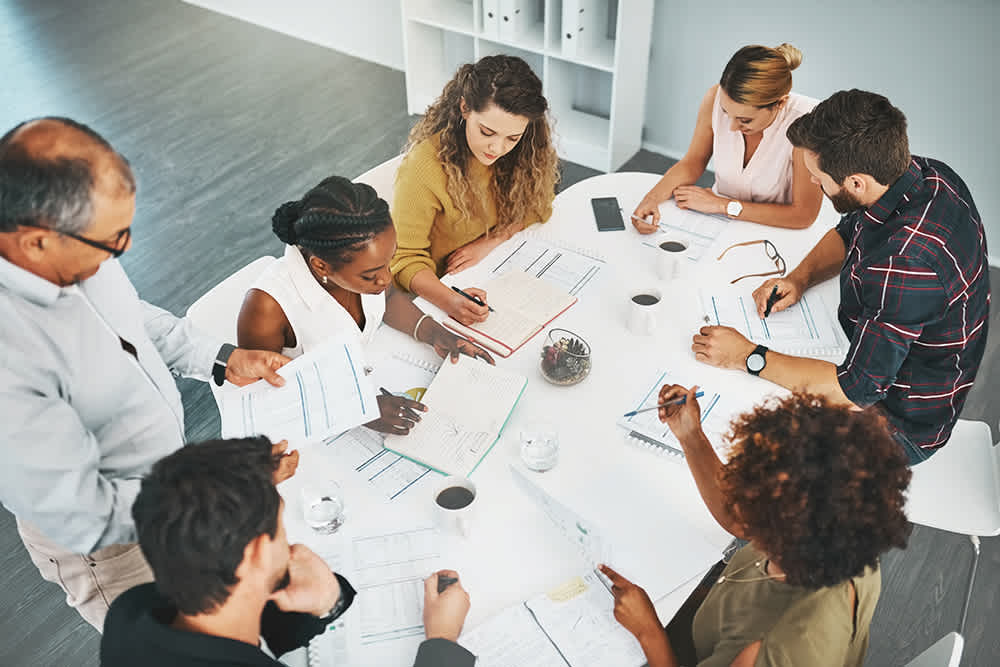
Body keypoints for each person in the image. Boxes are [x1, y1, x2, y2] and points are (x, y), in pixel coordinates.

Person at [0, 117, 295, 629]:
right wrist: (219, 489)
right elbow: (81, 512)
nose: (126, 250)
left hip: (171, 489)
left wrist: (224, 357)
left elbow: (132, 317)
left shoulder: (79, 245)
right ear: (34, 243)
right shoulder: (11, 355)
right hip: (115, 549)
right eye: (112, 241)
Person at [691, 90, 990, 464]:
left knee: (743, 440)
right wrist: (799, 278)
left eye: (818, 178)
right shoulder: (930, 175)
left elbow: (856, 389)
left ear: (856, 183)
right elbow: (851, 230)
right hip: (874, 353)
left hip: (899, 424)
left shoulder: (904, 264)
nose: (813, 184)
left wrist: (748, 356)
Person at [602, 386, 911, 667]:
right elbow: (738, 518)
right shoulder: (850, 536)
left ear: (779, 536)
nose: (738, 502)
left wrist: (649, 633)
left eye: (752, 504)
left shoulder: (778, 652)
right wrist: (691, 435)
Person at [101, 437, 476, 666]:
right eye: (282, 531)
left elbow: (244, 630)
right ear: (255, 555)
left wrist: (327, 602)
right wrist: (441, 641)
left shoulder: (131, 614)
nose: (294, 546)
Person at [237, 175, 494, 435]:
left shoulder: (365, 268)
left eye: (389, 260)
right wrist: (356, 409)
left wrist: (436, 333)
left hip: (373, 370)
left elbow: (389, 298)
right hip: (314, 424)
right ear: (320, 266)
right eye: (370, 275)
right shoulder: (267, 307)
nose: (387, 277)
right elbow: (262, 397)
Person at [391, 54, 559, 325]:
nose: (497, 148)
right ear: (465, 108)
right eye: (487, 132)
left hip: (489, 270)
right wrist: (450, 300)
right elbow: (404, 259)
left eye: (512, 138)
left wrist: (491, 240)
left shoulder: (523, 153)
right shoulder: (424, 167)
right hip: (436, 295)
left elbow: (539, 204)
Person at [633, 44, 822, 232]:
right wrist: (651, 200)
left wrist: (723, 205)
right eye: (725, 112)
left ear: (780, 103)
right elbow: (693, 162)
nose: (731, 127)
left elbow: (803, 215)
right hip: (718, 218)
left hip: (776, 227)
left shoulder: (807, 122)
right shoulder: (714, 98)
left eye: (745, 120)